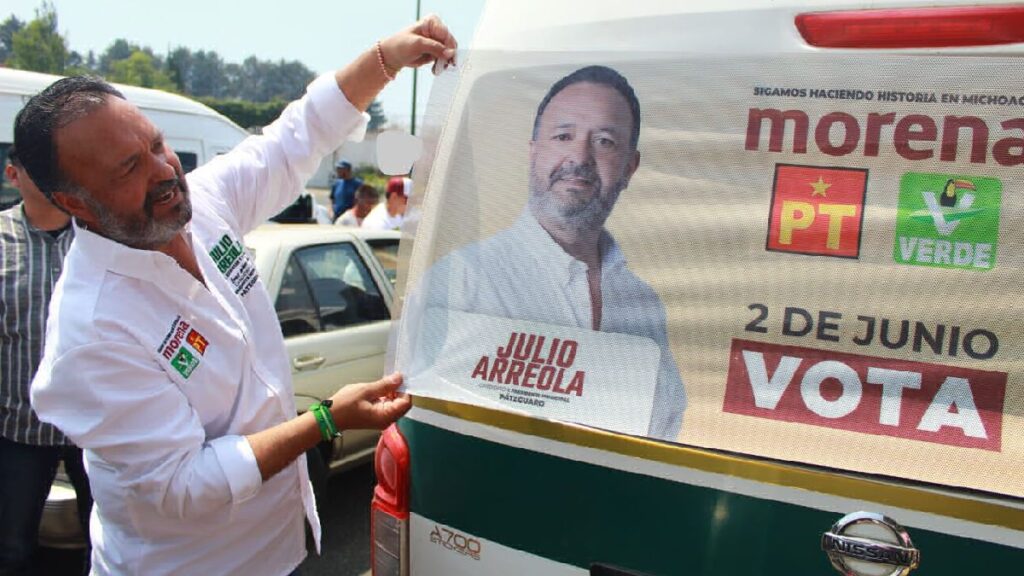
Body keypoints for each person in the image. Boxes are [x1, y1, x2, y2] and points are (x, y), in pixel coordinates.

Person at [21, 16, 456, 575]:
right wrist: (326, 420)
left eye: (156, 144)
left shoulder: (200, 206)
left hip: (280, 547)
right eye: (130, 166)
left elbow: (289, 141)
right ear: (74, 202)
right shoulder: (91, 333)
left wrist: (384, 59)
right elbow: (183, 484)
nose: (164, 171)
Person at [406, 65, 686, 441]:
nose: (580, 157)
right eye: (563, 135)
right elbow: (424, 428)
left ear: (629, 167)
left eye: (604, 141)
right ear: (533, 152)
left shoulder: (644, 303)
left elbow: (664, 425)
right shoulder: (461, 281)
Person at [0, 148, 92, 575]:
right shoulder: (2, 242)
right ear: (13, 175)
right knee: (12, 547)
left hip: (93, 429)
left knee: (109, 538)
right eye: (41, 173)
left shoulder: (97, 237)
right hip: (18, 430)